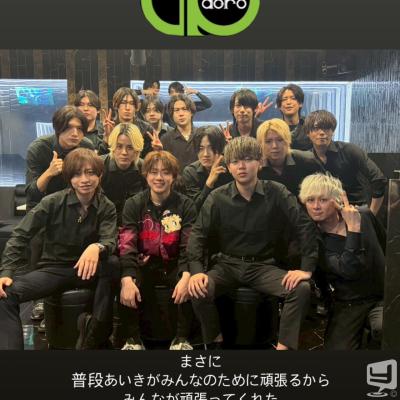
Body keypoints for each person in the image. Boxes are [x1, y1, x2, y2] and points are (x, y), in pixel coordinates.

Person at [187, 137, 318, 350]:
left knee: (301, 289)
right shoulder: (217, 197)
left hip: (264, 266)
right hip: (227, 266)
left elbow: (304, 225)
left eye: (248, 159)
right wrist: (196, 271)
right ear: (229, 167)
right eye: (235, 161)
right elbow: (198, 235)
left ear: (259, 162)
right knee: (197, 287)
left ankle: (283, 348)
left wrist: (306, 269)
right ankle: (214, 342)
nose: (242, 166)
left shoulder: (277, 191)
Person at [0, 148, 117, 350]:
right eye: (77, 174)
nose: (85, 179)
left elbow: (110, 239)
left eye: (90, 173)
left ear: (100, 175)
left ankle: (92, 335)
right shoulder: (52, 202)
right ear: (69, 178)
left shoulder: (106, 206)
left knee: (114, 263)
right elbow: (20, 235)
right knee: (5, 295)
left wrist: (97, 246)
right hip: (54, 269)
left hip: (87, 270)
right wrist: (6, 272)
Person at [118, 151, 197, 350]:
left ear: (174, 176)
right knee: (127, 280)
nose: (159, 177)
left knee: (190, 280)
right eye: (154, 172)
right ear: (146, 175)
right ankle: (133, 340)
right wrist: (127, 277)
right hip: (144, 262)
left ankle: (181, 339)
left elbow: (189, 245)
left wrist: (186, 275)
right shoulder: (133, 204)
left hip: (175, 262)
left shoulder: (186, 205)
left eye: (165, 172)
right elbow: (127, 244)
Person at [299, 173, 384, 349]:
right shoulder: (315, 241)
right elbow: (349, 270)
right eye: (310, 200)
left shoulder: (364, 215)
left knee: (385, 329)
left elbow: (386, 246)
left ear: (337, 200)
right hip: (348, 304)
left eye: (323, 200)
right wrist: (353, 229)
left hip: (381, 298)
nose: (315, 206)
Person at [304, 110, 387, 215]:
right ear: (308, 133)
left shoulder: (349, 150)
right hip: (323, 215)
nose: (321, 133)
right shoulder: (306, 158)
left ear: (333, 131)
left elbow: (379, 180)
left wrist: (371, 215)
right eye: (316, 129)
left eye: (326, 128)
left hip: (355, 210)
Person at [25, 105, 94, 211]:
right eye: (69, 127)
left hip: (73, 208)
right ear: (58, 128)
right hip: (42, 209)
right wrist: (49, 173)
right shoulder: (39, 148)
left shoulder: (87, 146)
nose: (75, 133)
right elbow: (31, 194)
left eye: (79, 129)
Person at [257, 118, 322, 197]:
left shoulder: (307, 160)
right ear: (261, 144)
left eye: (280, 140)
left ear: (288, 140)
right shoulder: (256, 168)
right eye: (268, 141)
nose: (274, 146)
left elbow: (325, 190)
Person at [101, 123, 146, 225]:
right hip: (105, 222)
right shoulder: (100, 166)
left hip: (135, 222)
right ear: (113, 147)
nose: (124, 152)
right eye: (119, 146)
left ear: (137, 149)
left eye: (130, 147)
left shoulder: (144, 168)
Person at [183, 126, 232, 211]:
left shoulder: (230, 168)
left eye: (211, 148)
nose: (205, 154)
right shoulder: (190, 172)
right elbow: (193, 208)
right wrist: (209, 184)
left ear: (220, 148)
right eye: (201, 148)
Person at [102, 87, 154, 157]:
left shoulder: (146, 129)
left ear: (136, 107)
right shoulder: (107, 127)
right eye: (123, 103)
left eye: (131, 103)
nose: (127, 108)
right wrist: (106, 141)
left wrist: (157, 151)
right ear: (116, 105)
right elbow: (100, 159)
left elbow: (148, 158)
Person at [160, 94, 198, 170]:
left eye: (184, 109)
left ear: (191, 112)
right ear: (172, 115)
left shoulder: (201, 135)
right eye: (176, 110)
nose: (181, 114)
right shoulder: (166, 139)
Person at [276, 83, 312, 151]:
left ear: (300, 103)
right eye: (284, 99)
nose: (288, 102)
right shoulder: (274, 127)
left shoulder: (310, 125)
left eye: (293, 98)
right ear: (279, 106)